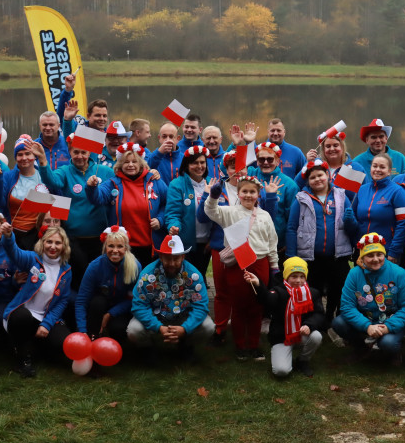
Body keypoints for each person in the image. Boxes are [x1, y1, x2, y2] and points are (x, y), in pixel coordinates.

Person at [197, 150, 277, 346]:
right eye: (233, 167)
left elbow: (270, 235)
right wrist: (211, 195)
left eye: (252, 192)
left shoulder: (261, 208)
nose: (248, 195)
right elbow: (208, 212)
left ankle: (252, 341)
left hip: (258, 258)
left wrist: (274, 265)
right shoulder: (224, 199)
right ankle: (228, 334)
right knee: (230, 297)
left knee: (255, 300)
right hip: (231, 255)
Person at [37, 133, 114, 288]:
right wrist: (43, 162)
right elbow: (51, 180)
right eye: (75, 152)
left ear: (90, 152)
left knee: (99, 278)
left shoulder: (104, 171)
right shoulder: (65, 171)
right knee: (79, 277)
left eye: (83, 152)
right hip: (74, 238)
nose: (80, 156)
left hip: (100, 237)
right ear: (70, 152)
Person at [286, 159, 357, 324]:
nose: (317, 179)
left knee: (338, 289)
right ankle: (315, 322)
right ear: (308, 181)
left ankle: (335, 319)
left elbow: (351, 227)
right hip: (311, 256)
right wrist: (291, 255)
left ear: (328, 175)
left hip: (338, 255)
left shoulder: (341, 195)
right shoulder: (301, 199)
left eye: (320, 175)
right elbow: (291, 228)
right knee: (314, 290)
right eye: (312, 177)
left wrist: (350, 220)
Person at [127, 235, 216, 363]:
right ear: (161, 257)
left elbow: (201, 307)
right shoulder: (147, 275)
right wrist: (158, 327)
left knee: (208, 327)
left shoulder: (194, 276)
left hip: (183, 315)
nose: (172, 263)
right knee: (133, 330)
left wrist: (185, 328)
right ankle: (147, 349)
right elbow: (139, 305)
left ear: (183, 257)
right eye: (167, 258)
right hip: (156, 315)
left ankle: (186, 346)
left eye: (176, 258)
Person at [1, 222, 74, 377]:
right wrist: (8, 236)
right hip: (23, 315)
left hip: (45, 318)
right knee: (23, 317)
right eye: (49, 241)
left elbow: (62, 301)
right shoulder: (32, 259)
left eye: (57, 243)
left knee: (63, 344)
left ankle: (39, 348)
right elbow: (14, 252)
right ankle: (23, 361)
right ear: (42, 243)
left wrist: (47, 324)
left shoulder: (66, 270)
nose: (52, 246)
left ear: (64, 246)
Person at [332, 233, 405, 366]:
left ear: (384, 254)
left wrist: (388, 327)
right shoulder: (354, 274)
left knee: (388, 343)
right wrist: (367, 326)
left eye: (379, 254)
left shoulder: (399, 273)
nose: (375, 259)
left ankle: (393, 351)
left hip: (390, 321)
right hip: (366, 320)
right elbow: (347, 307)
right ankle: (361, 349)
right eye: (370, 255)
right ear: (362, 257)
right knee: (339, 323)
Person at [86, 142, 169, 267]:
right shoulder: (113, 183)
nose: (130, 165)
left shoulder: (154, 181)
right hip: (123, 247)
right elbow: (98, 198)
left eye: (134, 162)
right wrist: (92, 187)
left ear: (141, 163)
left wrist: (160, 219)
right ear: (120, 164)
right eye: (126, 162)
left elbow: (168, 204)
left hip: (151, 246)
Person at [249, 256, 325, 377]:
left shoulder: (313, 293)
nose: (298, 280)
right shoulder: (278, 291)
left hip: (302, 335)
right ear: (286, 277)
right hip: (282, 338)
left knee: (316, 336)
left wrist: (308, 325)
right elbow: (267, 299)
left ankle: (302, 361)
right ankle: (285, 357)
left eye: (301, 276)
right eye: (294, 276)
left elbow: (319, 314)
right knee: (281, 371)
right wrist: (259, 285)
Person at [75, 226, 140, 350]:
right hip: (98, 307)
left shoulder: (135, 266)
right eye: (111, 246)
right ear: (105, 247)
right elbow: (81, 301)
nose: (115, 250)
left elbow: (134, 299)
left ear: (126, 248)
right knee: (98, 302)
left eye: (120, 246)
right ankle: (92, 341)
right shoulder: (94, 266)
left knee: (118, 329)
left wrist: (110, 314)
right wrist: (82, 330)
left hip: (120, 309)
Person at [0, 136, 50, 251]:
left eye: (28, 154)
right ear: (15, 157)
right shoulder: (8, 176)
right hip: (13, 234)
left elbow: (57, 199)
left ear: (34, 156)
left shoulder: (44, 175)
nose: (24, 158)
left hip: (39, 235)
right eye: (20, 154)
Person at [351, 153, 405, 262]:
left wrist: (394, 251)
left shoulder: (398, 192)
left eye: (382, 167)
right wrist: (355, 243)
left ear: (389, 171)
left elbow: (403, 224)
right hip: (363, 250)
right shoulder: (362, 190)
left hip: (385, 251)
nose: (377, 169)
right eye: (375, 166)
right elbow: (354, 218)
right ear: (370, 168)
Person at [165, 146, 213, 275]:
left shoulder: (212, 183)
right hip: (186, 243)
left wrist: (213, 239)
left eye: (202, 162)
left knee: (200, 275)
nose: (199, 166)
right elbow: (173, 213)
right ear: (186, 165)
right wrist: (174, 226)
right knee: (187, 278)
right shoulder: (177, 185)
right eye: (194, 163)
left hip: (207, 243)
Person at [249, 141, 298, 260]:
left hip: (277, 245)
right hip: (251, 241)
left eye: (270, 159)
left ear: (277, 161)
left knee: (275, 278)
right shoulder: (250, 175)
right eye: (261, 159)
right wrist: (239, 143)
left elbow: (292, 219)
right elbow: (230, 168)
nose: (266, 163)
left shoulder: (289, 185)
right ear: (257, 161)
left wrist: (288, 243)